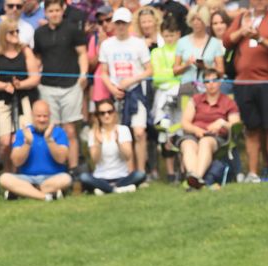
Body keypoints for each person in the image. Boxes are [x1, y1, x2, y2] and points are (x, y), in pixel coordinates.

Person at [223, 0, 268, 183]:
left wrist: (259, 38)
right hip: (243, 82)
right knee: (251, 128)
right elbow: (226, 41)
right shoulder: (241, 18)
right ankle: (253, 172)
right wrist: (241, 32)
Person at [33, 0, 88, 175]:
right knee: (52, 130)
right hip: (47, 87)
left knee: (70, 130)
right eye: (51, 11)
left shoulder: (73, 30)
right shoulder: (39, 33)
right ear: (46, 13)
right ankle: (56, 170)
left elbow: (82, 54)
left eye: (57, 10)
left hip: (71, 86)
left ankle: (73, 170)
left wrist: (83, 75)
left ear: (62, 10)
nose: (54, 14)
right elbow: (38, 58)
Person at [99, 7, 153, 174]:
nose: (120, 26)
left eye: (123, 23)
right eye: (118, 23)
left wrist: (131, 80)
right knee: (123, 134)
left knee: (139, 132)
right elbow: (104, 72)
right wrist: (112, 89)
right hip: (117, 94)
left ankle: (141, 171)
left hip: (136, 92)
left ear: (129, 24)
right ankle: (128, 172)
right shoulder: (107, 45)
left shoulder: (138, 44)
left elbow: (149, 70)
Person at [178, 68, 241, 189]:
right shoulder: (196, 99)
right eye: (207, 81)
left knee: (205, 142)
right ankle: (195, 179)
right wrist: (196, 130)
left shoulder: (228, 102)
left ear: (220, 82)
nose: (211, 84)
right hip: (194, 134)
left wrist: (222, 122)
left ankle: (196, 178)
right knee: (187, 144)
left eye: (214, 80)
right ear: (203, 84)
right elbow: (185, 123)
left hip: (216, 138)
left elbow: (236, 125)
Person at [0, 100, 72, 201]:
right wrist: (27, 143)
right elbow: (16, 161)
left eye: (45, 116)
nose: (42, 119)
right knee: (4, 178)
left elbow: (62, 159)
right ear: (32, 116)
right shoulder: (23, 133)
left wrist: (49, 140)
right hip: (26, 179)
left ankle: (24, 192)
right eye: (38, 116)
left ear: (50, 116)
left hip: (51, 178)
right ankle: (45, 196)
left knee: (66, 179)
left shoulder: (59, 132)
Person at [0, 18, 40, 174]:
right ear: (3, 34)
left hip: (24, 99)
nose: (15, 34)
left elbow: (35, 77)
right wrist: (4, 86)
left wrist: (21, 84)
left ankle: (24, 172)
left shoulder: (25, 50)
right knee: (5, 141)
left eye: (17, 31)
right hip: (2, 100)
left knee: (24, 137)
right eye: (11, 32)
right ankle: (7, 172)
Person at [79, 99, 146, 194]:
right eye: (102, 113)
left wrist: (119, 142)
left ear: (114, 113)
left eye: (109, 112)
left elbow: (128, 156)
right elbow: (95, 160)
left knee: (140, 175)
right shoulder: (93, 133)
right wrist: (99, 144)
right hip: (100, 177)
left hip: (122, 177)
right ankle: (116, 189)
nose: (106, 115)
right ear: (98, 116)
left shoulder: (123, 130)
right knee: (84, 177)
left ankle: (105, 189)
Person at [151, 16, 182, 183]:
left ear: (178, 34)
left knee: (181, 130)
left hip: (181, 95)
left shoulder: (182, 49)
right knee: (165, 131)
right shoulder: (156, 52)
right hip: (163, 96)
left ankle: (183, 169)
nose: (169, 38)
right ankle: (170, 172)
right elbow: (156, 77)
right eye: (166, 35)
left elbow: (184, 73)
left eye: (172, 35)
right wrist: (175, 73)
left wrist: (171, 74)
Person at [174, 5, 224, 93]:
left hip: (207, 89)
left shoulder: (215, 43)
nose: (196, 22)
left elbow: (221, 71)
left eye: (199, 19)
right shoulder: (182, 42)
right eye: (193, 19)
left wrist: (206, 67)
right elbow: (175, 71)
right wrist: (187, 65)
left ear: (205, 21)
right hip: (187, 87)